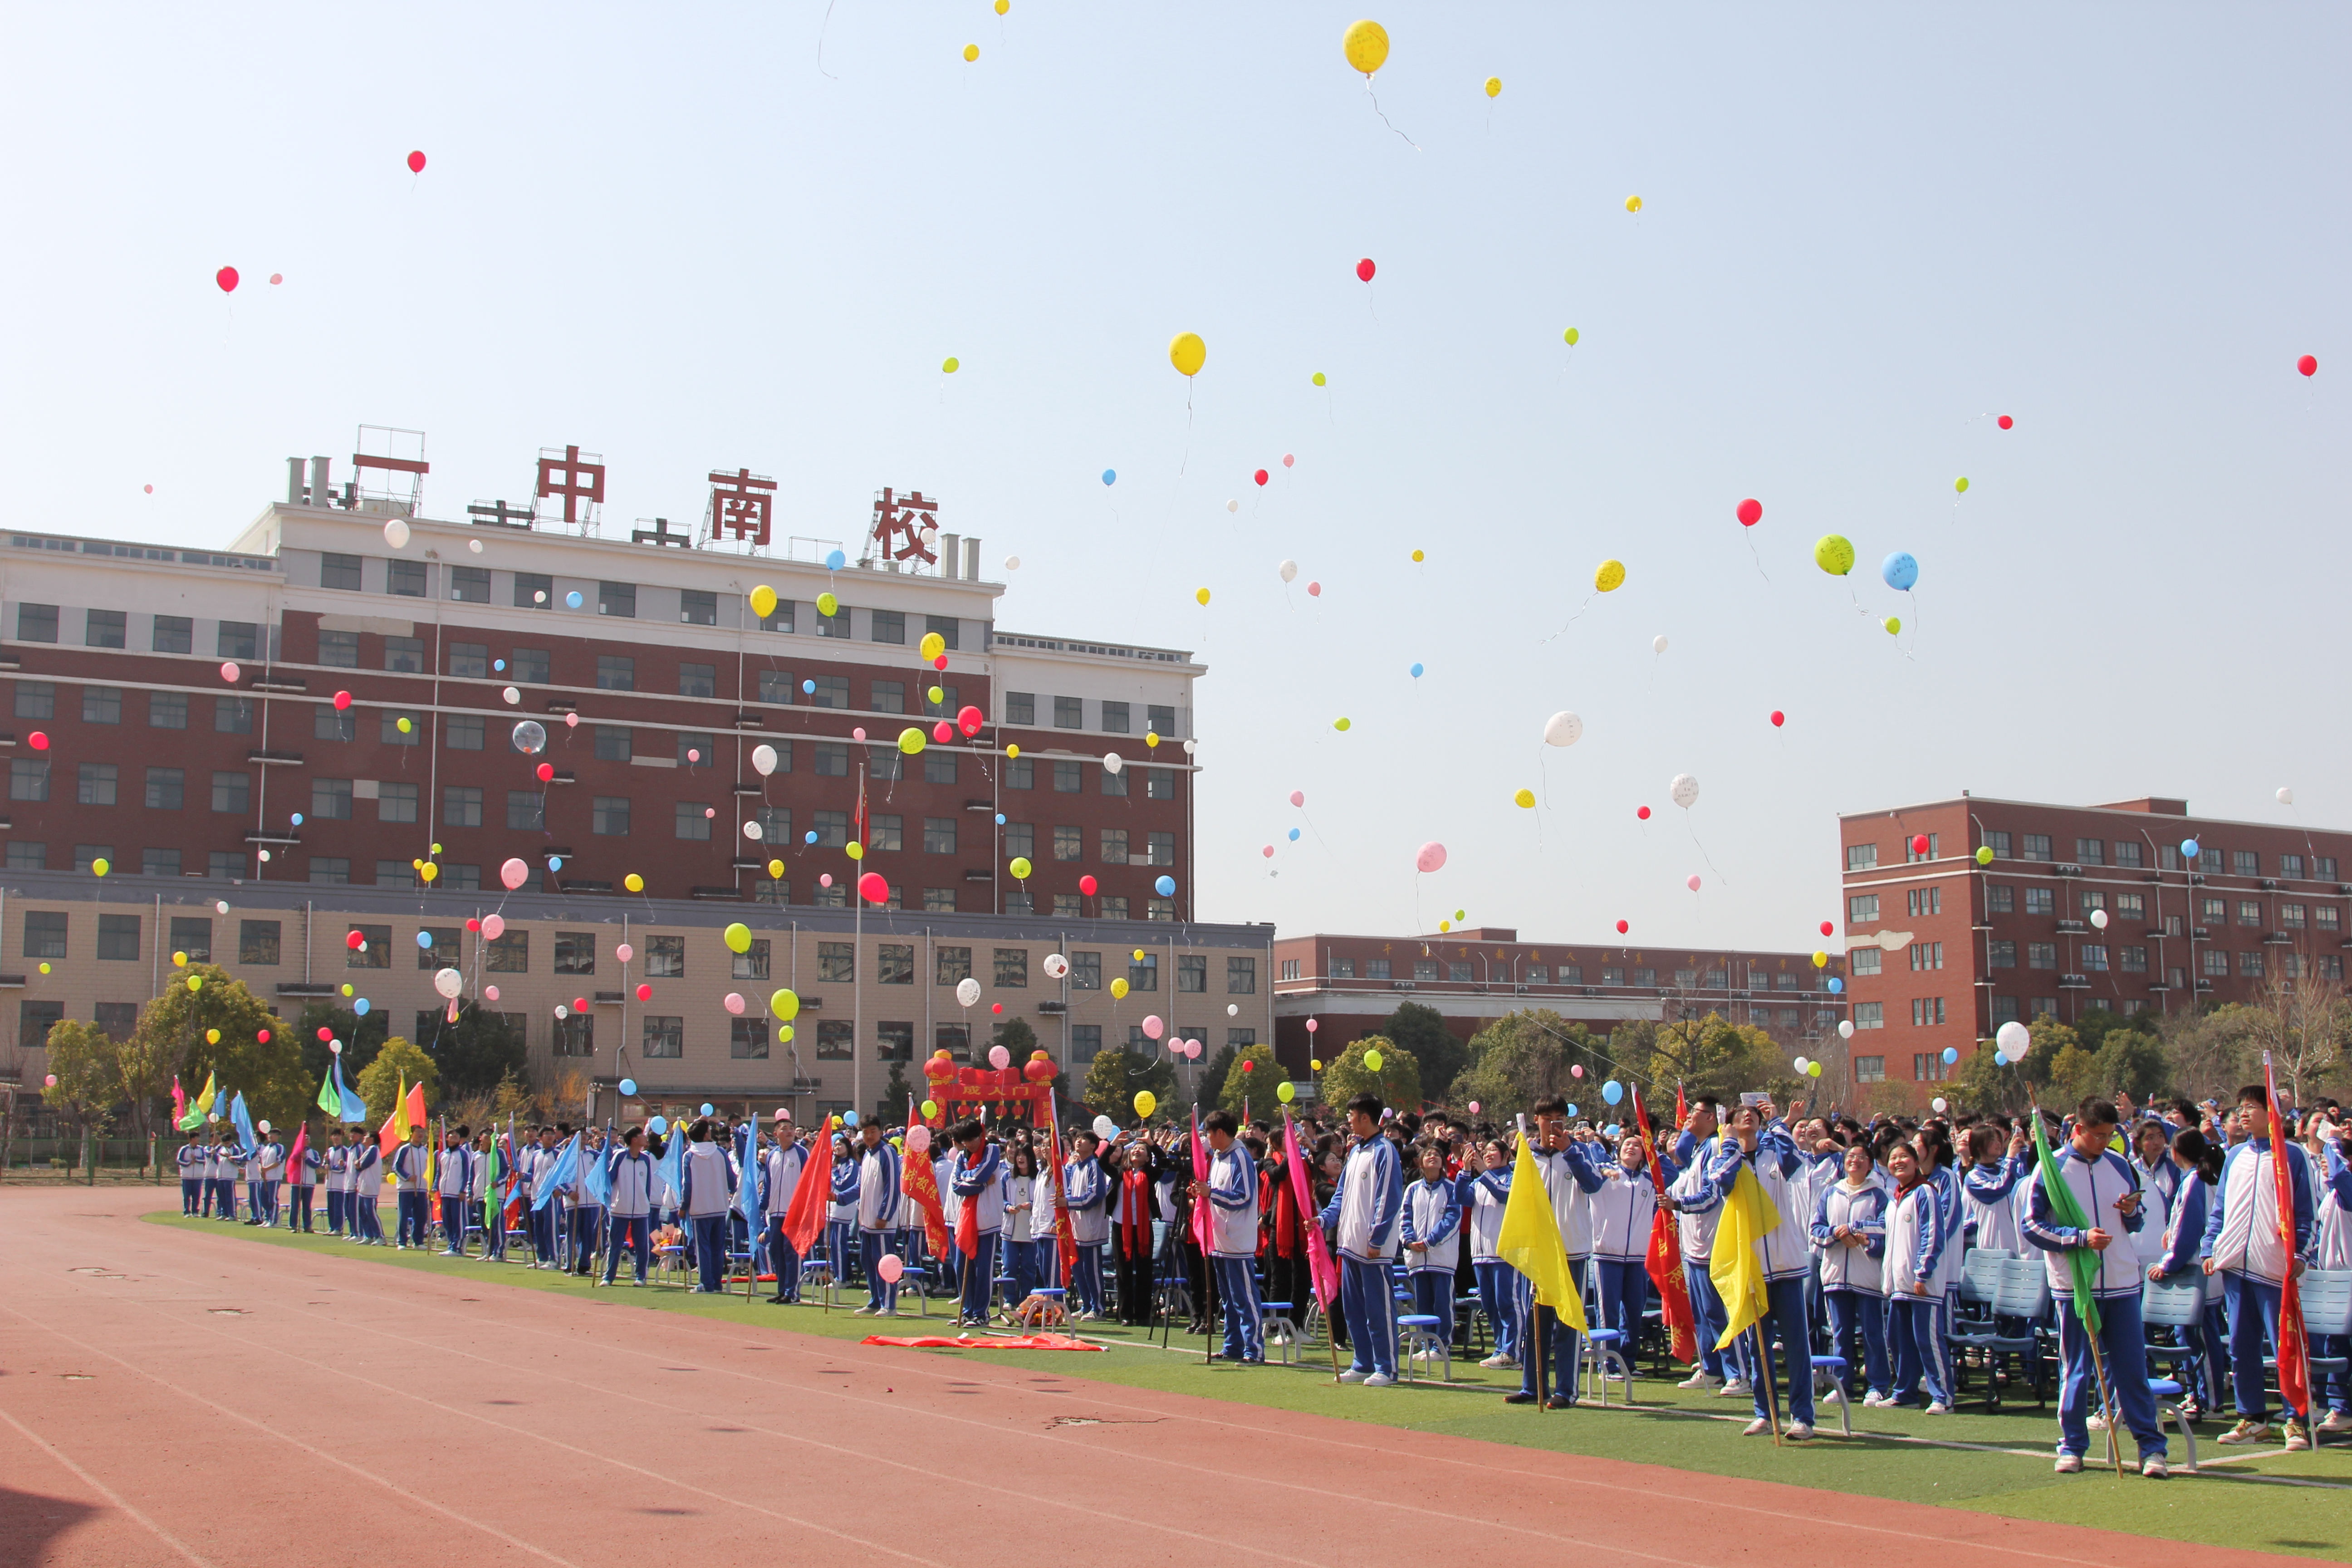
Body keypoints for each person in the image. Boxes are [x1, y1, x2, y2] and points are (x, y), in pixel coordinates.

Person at [2025, 1097, 2166, 1476]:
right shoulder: (2050, 1168)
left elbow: (2138, 1220)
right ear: (2079, 1130)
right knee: (2077, 1368)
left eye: (2110, 1136)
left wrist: (2132, 1210)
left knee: (2132, 1369)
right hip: (2075, 1286)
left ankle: (2152, 1449)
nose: (2105, 1143)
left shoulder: (2121, 1165)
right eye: (2098, 1136)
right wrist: (2079, 1238)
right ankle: (2072, 1446)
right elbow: (2032, 1226)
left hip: (2122, 1281)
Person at [2201, 1083, 2318, 1450]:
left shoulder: (2293, 1156)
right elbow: (2220, 1209)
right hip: (2236, 1265)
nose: (2244, 1113)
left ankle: (2295, 1419)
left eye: (2253, 1106)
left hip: (2274, 1268)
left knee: (2284, 1346)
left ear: (2274, 1114)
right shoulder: (2234, 1155)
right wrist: (2210, 1247)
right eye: (2241, 1107)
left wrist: (2300, 1256)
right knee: (2241, 1344)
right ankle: (2251, 1418)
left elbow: (2305, 1213)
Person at [1705, 1096, 1816, 1439]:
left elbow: (1796, 1162)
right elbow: (1720, 1180)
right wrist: (1730, 1146)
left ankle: (1803, 1417)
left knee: (1797, 1344)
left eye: (1753, 1115)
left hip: (1786, 1265)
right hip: (1752, 1268)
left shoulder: (1775, 1153)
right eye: (1741, 1116)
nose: (1748, 1119)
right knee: (1758, 1345)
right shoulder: (1728, 1158)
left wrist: (1781, 1122)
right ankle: (1765, 1413)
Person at [1506, 1097, 1606, 1410]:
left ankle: (1567, 1389)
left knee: (1568, 1321)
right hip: (1537, 1252)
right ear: (1537, 1119)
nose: (1553, 1123)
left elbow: (1594, 1185)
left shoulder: (1578, 1151)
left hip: (1571, 1249)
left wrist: (1570, 1151)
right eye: (1548, 1117)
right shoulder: (1528, 1155)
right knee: (1537, 1320)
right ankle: (1533, 1385)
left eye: (1559, 1117)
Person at [1317, 1091, 1402, 1387]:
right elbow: (1341, 1195)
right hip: (1349, 1244)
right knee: (1354, 1309)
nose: (1349, 1121)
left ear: (1366, 1118)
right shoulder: (1355, 1153)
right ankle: (1363, 1362)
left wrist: (1377, 1239)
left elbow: (1389, 1199)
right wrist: (1323, 1220)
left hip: (1373, 1248)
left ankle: (1387, 1367)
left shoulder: (1385, 1151)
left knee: (1378, 1309)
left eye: (1352, 1116)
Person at [2148, 1126, 2226, 1419]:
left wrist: (2168, 1262)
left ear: (2177, 1152)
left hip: (2197, 1271)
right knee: (2189, 1335)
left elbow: (2192, 1231)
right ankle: (2198, 1394)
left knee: (2201, 1338)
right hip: (2195, 1268)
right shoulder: (2195, 1179)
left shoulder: (2197, 1181)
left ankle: (2211, 1401)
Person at [1813, 1141, 1890, 1405]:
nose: (1854, 1160)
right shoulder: (1831, 1193)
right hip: (1835, 1275)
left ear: (1870, 1164)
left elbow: (1884, 1229)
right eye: (1850, 1157)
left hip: (1867, 1275)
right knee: (1841, 1333)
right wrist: (1836, 1234)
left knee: (1872, 1332)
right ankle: (1842, 1384)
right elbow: (1816, 1230)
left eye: (1861, 1157)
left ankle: (1878, 1385)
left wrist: (1858, 1233)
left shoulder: (1879, 1194)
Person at [1664, 1115, 1735, 1394]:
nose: (1688, 1118)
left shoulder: (1716, 1146)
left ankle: (1736, 1372)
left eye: (1695, 1113)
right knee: (1702, 1315)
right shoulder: (1697, 1150)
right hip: (1694, 1246)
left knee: (1717, 1313)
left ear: (1710, 1117)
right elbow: (1681, 1151)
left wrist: (1679, 1204)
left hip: (1711, 1244)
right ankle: (1712, 1368)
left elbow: (1712, 1195)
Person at [1589, 1130, 1670, 1367]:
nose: (1631, 1148)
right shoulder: (1606, 1174)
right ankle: (1609, 1362)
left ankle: (1628, 1361)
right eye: (1627, 1144)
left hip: (1637, 1257)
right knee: (1609, 1312)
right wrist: (1604, 1163)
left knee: (1634, 1312)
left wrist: (1655, 1147)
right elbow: (1591, 1156)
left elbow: (1672, 1173)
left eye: (1637, 1145)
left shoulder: (1649, 1181)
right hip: (1608, 1254)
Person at [1882, 1140, 1950, 1414]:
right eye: (1893, 1158)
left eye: (1904, 1157)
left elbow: (1933, 1235)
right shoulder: (1894, 1199)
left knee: (1928, 1340)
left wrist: (1923, 1272)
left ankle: (1942, 1396)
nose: (1898, 1162)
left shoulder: (1925, 1193)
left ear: (1916, 1162)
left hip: (1923, 1285)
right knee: (1900, 1340)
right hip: (1899, 1286)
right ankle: (1905, 1392)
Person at [1200, 1109, 1264, 1362]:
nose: (1208, 1139)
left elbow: (1244, 1197)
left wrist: (1212, 1194)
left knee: (1244, 1298)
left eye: (1209, 1133)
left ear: (1220, 1133)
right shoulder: (1218, 1158)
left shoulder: (1240, 1158)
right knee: (1228, 1300)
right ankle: (1233, 1346)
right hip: (1219, 1239)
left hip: (1237, 1240)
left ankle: (1254, 1349)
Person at [1399, 1140, 1460, 1352]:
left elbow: (1452, 1220)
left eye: (1436, 1155)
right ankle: (1425, 1343)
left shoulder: (1452, 1189)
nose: (1432, 1157)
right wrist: (1409, 1241)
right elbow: (1405, 1217)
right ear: (1421, 1163)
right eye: (1428, 1155)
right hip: (1417, 1258)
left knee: (1443, 1303)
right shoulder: (1413, 1190)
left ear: (1443, 1162)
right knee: (1423, 1304)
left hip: (1441, 1257)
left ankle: (1441, 1345)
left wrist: (1429, 1241)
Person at [950, 1120, 1006, 1328]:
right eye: (964, 1141)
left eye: (971, 1140)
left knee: (983, 1269)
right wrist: (977, 1182)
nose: (968, 1145)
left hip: (987, 1219)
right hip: (965, 1218)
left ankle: (981, 1313)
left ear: (980, 1137)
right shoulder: (961, 1157)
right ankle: (967, 1310)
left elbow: (985, 1172)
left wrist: (973, 1179)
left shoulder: (991, 1150)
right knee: (961, 1266)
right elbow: (957, 1185)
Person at [678, 1118, 736, 1293]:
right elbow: (732, 1179)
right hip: (719, 1205)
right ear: (705, 1134)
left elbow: (687, 1185)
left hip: (700, 1207)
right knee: (718, 1247)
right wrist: (731, 1191)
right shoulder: (720, 1152)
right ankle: (717, 1283)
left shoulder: (689, 1156)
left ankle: (707, 1283)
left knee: (702, 1247)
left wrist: (683, 1206)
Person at [851, 1119, 902, 1313]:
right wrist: (838, 1197)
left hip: (882, 1223)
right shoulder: (866, 1156)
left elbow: (893, 1186)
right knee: (868, 1262)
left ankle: (889, 1304)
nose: (869, 1136)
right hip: (866, 1221)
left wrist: (884, 1215)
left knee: (885, 1262)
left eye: (873, 1131)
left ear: (881, 1132)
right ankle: (875, 1300)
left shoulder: (887, 1153)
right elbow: (860, 1187)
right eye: (865, 1132)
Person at [1110, 1139, 1157, 1327]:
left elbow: (1163, 1162)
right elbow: (1103, 1162)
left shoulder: (1150, 1174)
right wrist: (1115, 1143)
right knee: (1124, 1272)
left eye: (1142, 1150)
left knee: (1145, 1271)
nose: (1137, 1151)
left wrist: (1152, 1144)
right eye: (1135, 1148)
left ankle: (1144, 1314)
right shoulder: (1120, 1173)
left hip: (1144, 1226)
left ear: (1147, 1158)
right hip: (1122, 1226)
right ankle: (1125, 1314)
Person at [1064, 1130, 1110, 1318]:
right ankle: (1086, 1304)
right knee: (1077, 1267)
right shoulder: (1076, 1168)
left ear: (1093, 1146)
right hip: (1076, 1226)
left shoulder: (1095, 1166)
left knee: (1092, 1269)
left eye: (1084, 1139)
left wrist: (1069, 1203)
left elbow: (1095, 1196)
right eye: (1078, 1139)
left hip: (1091, 1227)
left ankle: (1098, 1307)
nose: (1079, 1142)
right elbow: (1068, 1192)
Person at [604, 1125, 658, 1285]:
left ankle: (641, 1276)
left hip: (641, 1210)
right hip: (620, 1208)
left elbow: (647, 1184)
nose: (645, 1138)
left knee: (642, 1245)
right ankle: (609, 1276)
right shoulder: (620, 1157)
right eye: (642, 1136)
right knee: (615, 1244)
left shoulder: (646, 1159)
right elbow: (609, 1179)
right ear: (634, 1140)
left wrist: (645, 1201)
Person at [762, 1113, 805, 1303]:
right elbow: (768, 1185)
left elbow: (807, 1182)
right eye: (784, 1129)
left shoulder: (801, 1153)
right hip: (775, 1212)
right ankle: (782, 1289)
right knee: (776, 1250)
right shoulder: (772, 1156)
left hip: (793, 1211)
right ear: (776, 1133)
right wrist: (762, 1207)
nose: (789, 1132)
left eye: (791, 1129)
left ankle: (792, 1292)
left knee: (790, 1251)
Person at [1003, 1144, 1039, 1304]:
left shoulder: (1038, 1178)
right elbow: (1000, 1198)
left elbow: (1042, 1200)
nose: (1021, 1158)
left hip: (1030, 1231)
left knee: (1029, 1268)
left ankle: (1026, 1300)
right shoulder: (1007, 1177)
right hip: (1010, 1230)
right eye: (1018, 1155)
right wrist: (1008, 1207)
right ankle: (1008, 1299)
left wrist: (1031, 1205)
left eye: (1024, 1155)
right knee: (1009, 1267)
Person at [436, 1126, 475, 1256]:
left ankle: (457, 1247)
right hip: (445, 1193)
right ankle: (451, 1244)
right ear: (447, 1138)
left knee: (458, 1221)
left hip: (457, 1193)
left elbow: (467, 1173)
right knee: (447, 1220)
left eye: (457, 1136)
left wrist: (464, 1190)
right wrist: (435, 1187)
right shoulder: (443, 1154)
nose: (455, 1138)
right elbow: (439, 1173)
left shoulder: (463, 1154)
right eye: (452, 1136)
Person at [393, 1126, 431, 1249]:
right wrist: (408, 1177)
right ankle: (402, 1241)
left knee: (421, 1216)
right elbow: (396, 1168)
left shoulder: (425, 1151)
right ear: (412, 1134)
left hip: (421, 1189)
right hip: (406, 1189)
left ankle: (418, 1241)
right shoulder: (404, 1149)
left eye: (422, 1132)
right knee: (404, 1215)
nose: (421, 1134)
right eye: (418, 1132)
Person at [349, 1127, 383, 1244]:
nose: (364, 1138)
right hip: (363, 1187)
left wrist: (358, 1164)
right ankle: (369, 1235)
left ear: (372, 1139)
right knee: (363, 1212)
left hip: (370, 1187)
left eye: (367, 1136)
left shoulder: (373, 1150)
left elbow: (362, 1165)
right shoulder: (367, 1150)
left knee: (371, 1212)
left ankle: (380, 1236)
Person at [287, 1124, 322, 1232]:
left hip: (309, 1183)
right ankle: (293, 1225)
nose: (306, 1140)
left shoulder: (314, 1153)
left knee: (307, 1205)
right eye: (304, 1138)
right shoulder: (297, 1152)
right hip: (297, 1182)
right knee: (295, 1204)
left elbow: (317, 1164)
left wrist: (306, 1159)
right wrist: (299, 1156)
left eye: (308, 1138)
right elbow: (293, 1160)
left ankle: (307, 1226)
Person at [249, 1121, 283, 1227]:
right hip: (264, 1178)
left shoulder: (279, 1147)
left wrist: (267, 1169)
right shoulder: (266, 1148)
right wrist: (261, 1170)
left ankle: (274, 1220)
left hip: (274, 1177)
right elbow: (260, 1162)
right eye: (269, 1134)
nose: (270, 1136)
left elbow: (279, 1161)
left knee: (272, 1199)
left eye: (273, 1135)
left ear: (277, 1137)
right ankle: (268, 1218)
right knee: (263, 1198)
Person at [177, 1133, 203, 1215]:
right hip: (187, 1176)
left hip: (198, 1176)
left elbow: (205, 1160)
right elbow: (179, 1161)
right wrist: (189, 1163)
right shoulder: (184, 1149)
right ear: (192, 1139)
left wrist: (196, 1159)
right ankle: (187, 1212)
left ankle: (195, 1211)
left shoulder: (201, 1149)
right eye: (197, 1138)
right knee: (187, 1195)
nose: (198, 1139)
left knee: (197, 1196)